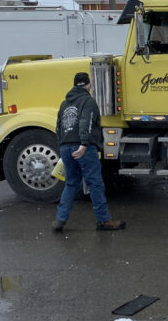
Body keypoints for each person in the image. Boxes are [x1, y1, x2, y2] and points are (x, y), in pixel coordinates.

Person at [52, 73, 125, 232]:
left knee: (71, 182)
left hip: (66, 146)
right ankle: (103, 220)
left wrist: (63, 146)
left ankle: (60, 219)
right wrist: (84, 144)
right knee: (95, 183)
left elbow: (58, 126)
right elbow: (86, 121)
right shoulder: (88, 101)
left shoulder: (65, 103)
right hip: (83, 148)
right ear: (88, 85)